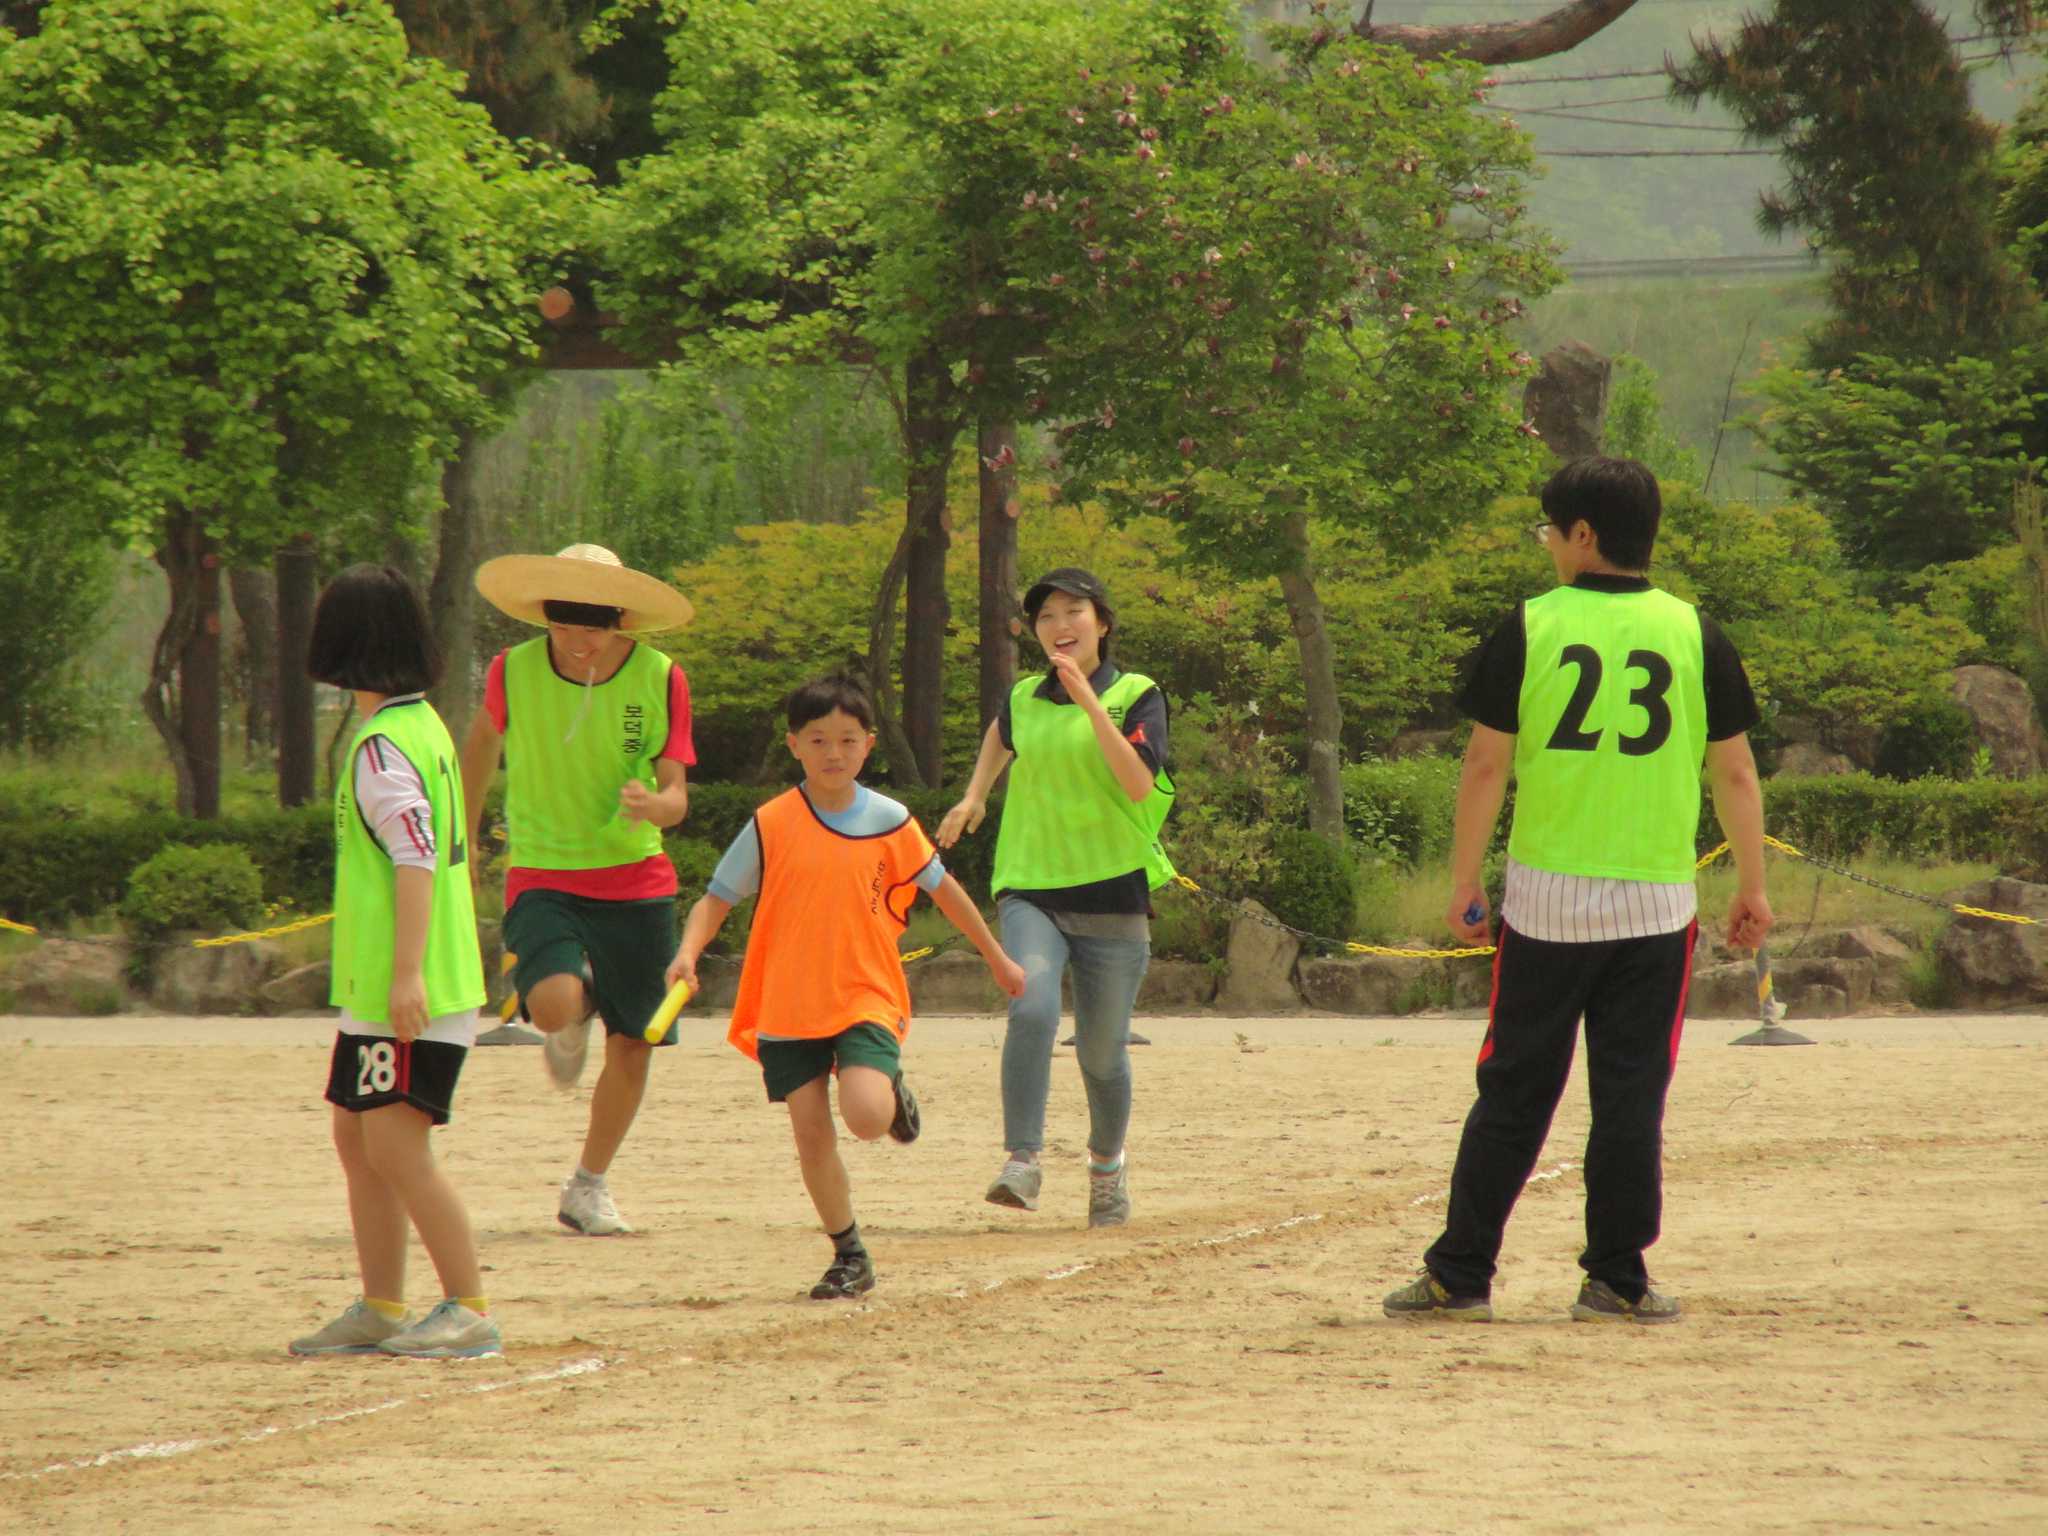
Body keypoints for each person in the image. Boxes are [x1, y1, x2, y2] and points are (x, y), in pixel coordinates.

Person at [1384, 456, 1773, 1326]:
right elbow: (1736, 773)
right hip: (1656, 908)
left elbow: (1486, 763)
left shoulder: (1529, 626)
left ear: (1583, 535)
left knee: (1515, 1087)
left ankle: (1459, 1277)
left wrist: (1463, 880)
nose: (1547, 544)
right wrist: (1751, 884)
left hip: (1548, 903)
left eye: (1550, 529)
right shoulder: (1695, 632)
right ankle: (1617, 1279)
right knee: (1631, 1096)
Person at [667, 677, 1026, 1300]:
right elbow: (716, 900)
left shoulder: (890, 819)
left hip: (864, 993)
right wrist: (686, 952)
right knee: (812, 1135)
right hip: (786, 1002)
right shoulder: (770, 822)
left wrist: (996, 957)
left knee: (865, 1116)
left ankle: (890, 1091)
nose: (834, 752)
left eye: (847, 740)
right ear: (795, 746)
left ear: (868, 746)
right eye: (818, 740)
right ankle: (848, 1253)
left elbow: (945, 890)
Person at [291, 564, 498, 1359]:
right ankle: (381, 1305)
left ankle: (467, 1309)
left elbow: (415, 858)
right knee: (357, 1137)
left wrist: (407, 974)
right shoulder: (422, 725)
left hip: (413, 986)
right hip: (389, 986)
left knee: (397, 1147)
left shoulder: (383, 746)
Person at [464, 544, 697, 1236]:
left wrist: (657, 806)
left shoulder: (661, 676)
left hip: (637, 879)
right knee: (555, 1000)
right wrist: (465, 837)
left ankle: (588, 1186)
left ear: (621, 617)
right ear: (544, 616)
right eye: (565, 622)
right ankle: (573, 1012)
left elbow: (677, 791)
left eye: (595, 622)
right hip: (543, 871)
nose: (581, 639)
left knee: (635, 1043)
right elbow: (480, 744)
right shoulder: (513, 670)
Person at [937, 568, 1174, 1228]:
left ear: (1102, 622)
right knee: (1032, 1006)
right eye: (1046, 616)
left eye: (1075, 612)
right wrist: (976, 793)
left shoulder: (1137, 695)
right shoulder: (1023, 696)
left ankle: (1106, 1168)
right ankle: (1022, 1160)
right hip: (1029, 885)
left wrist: (1090, 705)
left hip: (1113, 894)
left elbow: (1134, 783)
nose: (1061, 625)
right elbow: (1001, 732)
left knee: (1101, 1054)